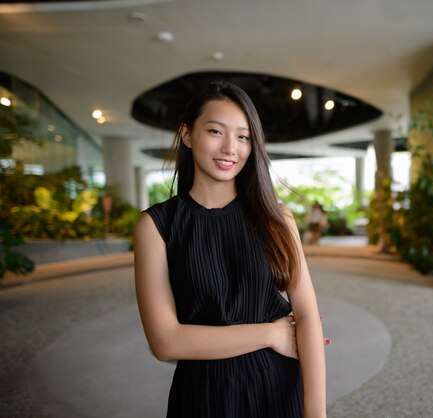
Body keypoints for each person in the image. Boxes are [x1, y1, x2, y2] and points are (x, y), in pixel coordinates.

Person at [134, 81, 327, 417]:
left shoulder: (276, 218)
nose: (230, 148)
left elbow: (308, 315)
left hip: (278, 388)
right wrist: (270, 333)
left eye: (243, 136)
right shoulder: (156, 226)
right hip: (203, 397)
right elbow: (165, 342)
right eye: (215, 131)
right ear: (188, 134)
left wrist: (316, 415)